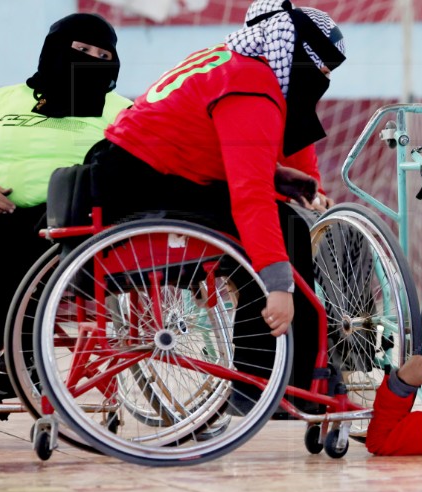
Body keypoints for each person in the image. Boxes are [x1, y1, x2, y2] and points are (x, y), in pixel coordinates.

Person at [84, 0, 346, 411]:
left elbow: (200, 145)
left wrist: (278, 175)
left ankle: (266, 377)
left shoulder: (222, 60)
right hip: (140, 187)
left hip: (124, 175)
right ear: (297, 57)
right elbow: (248, 193)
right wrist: (279, 288)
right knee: (284, 231)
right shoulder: (252, 84)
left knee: (277, 224)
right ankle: (274, 384)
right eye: (323, 66)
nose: (327, 77)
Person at [0, 13, 130, 403]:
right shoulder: (2, 99)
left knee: (20, 246)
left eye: (102, 55)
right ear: (53, 49)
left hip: (70, 219)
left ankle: (4, 360)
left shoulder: (121, 109)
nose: (90, 60)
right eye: (80, 50)